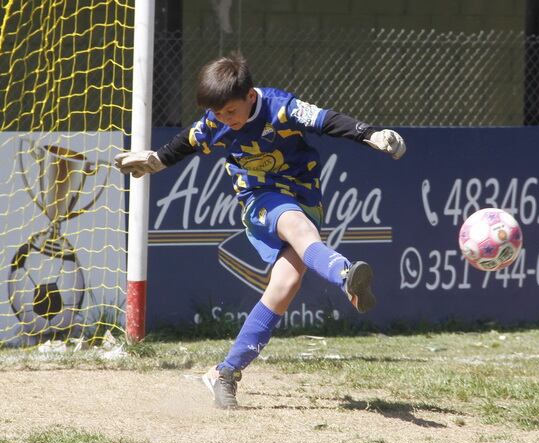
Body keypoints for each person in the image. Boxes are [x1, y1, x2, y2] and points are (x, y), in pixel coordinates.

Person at [115, 53, 405, 409]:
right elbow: (187, 142)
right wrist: (156, 161)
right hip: (259, 197)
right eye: (218, 115)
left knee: (284, 286)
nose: (224, 121)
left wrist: (371, 134)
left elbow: (328, 121)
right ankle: (345, 274)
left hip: (305, 194)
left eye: (230, 113)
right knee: (298, 229)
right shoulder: (215, 122)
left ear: (250, 96)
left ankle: (225, 373)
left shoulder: (282, 108)